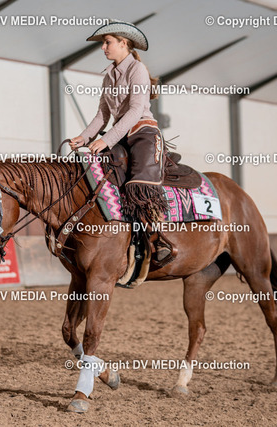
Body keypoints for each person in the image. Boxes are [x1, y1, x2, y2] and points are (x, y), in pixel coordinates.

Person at [69, 20, 173, 264]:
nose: (103, 47)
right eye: (103, 43)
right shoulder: (108, 76)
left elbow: (136, 110)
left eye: (107, 42)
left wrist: (106, 140)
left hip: (143, 133)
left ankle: (158, 240)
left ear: (123, 43)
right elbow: (102, 114)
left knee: (141, 183)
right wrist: (84, 137)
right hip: (120, 135)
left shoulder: (137, 69)